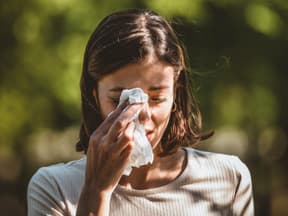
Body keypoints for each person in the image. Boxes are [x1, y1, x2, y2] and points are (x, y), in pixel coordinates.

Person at [27, 9, 254, 216]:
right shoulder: (54, 188)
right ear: (94, 95)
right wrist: (96, 191)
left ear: (176, 92)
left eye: (156, 98)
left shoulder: (229, 178)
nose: (141, 115)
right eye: (120, 100)